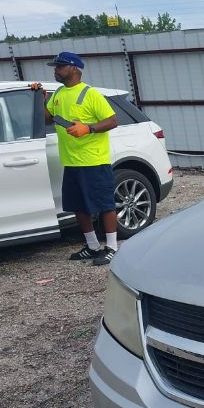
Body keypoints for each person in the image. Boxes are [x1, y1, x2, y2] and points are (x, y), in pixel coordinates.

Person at [30, 51, 119, 266]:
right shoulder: (59, 93)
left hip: (93, 161)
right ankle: (92, 246)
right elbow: (49, 119)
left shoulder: (90, 94)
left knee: (105, 204)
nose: (56, 70)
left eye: (60, 66)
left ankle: (112, 248)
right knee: (78, 206)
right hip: (71, 161)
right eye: (55, 67)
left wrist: (88, 128)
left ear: (74, 68)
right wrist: (40, 99)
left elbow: (112, 120)